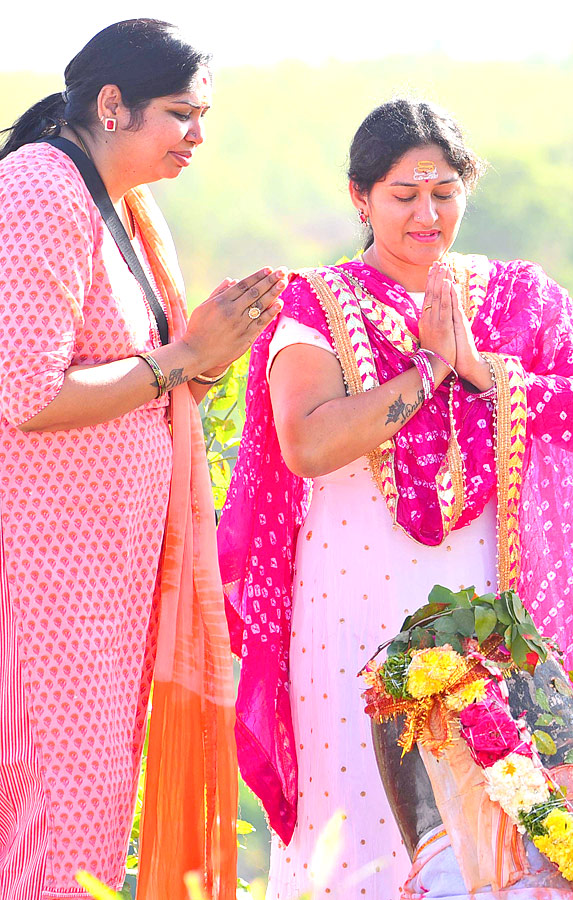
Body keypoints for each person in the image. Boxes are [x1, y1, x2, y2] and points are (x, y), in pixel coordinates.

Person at [217, 97, 573, 899]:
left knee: (487, 819)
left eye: (444, 192)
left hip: (484, 604)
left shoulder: (521, 299)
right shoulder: (320, 304)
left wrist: (479, 366)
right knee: (357, 821)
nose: (426, 214)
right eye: (403, 196)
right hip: (348, 605)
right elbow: (309, 442)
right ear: (359, 199)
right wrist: (431, 368)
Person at [0, 18, 286, 900]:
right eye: (180, 114)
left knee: (86, 813)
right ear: (112, 106)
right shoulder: (40, 190)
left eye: (202, 114)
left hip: (107, 573)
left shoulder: (120, 203)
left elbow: (148, 378)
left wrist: (203, 357)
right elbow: (26, 396)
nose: (197, 135)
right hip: (46, 569)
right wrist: (179, 360)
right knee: (57, 816)